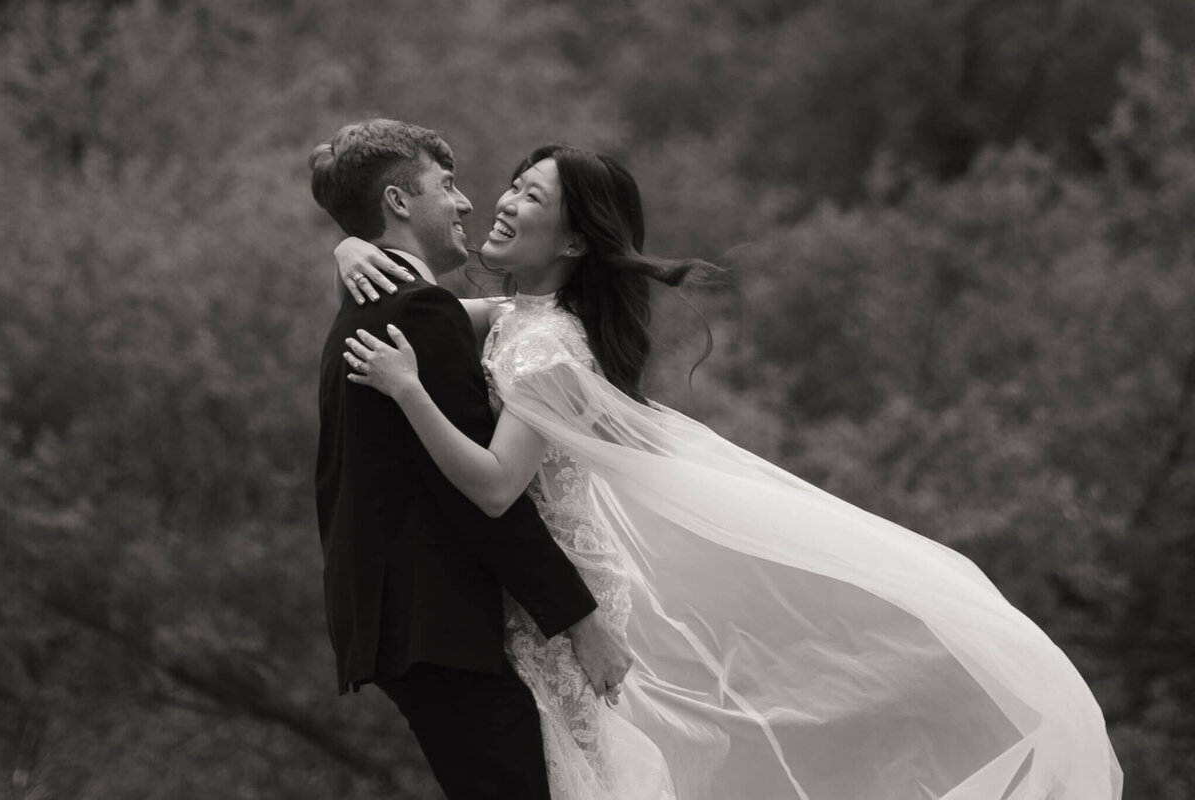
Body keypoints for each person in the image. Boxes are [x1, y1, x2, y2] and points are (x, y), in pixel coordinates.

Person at [336, 144, 1124, 799]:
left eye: (530, 195)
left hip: (559, 603)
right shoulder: (522, 319)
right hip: (534, 596)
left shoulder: (548, 348)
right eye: (514, 184)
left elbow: (495, 484)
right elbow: (425, 310)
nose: (503, 201)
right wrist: (351, 245)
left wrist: (409, 393)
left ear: (573, 242)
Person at [309, 120, 633, 800]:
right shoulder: (415, 311)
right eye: (447, 185)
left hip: (418, 624)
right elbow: (486, 501)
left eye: (528, 194)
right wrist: (580, 621)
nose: (470, 202)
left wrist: (349, 243)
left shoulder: (397, 302)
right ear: (399, 201)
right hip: (436, 625)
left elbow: (519, 317)